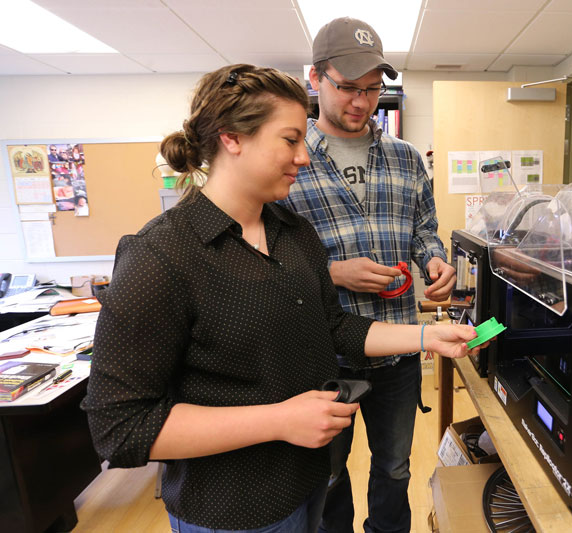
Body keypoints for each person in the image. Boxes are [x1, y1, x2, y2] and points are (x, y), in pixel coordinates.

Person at [81, 64, 485, 533]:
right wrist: (278, 420)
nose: (305, 157)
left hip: (307, 484)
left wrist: (426, 335)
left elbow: (334, 327)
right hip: (233, 512)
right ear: (232, 138)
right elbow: (119, 427)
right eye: (290, 140)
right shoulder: (161, 255)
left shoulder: (293, 234)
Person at [278, 17, 457, 533]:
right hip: (321, 355)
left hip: (399, 351)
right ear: (315, 78)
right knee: (328, 474)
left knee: (395, 467)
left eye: (374, 89)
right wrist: (333, 272)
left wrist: (434, 260)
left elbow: (424, 227)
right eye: (348, 87)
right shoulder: (291, 161)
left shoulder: (404, 159)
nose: (362, 101)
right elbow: (269, 257)